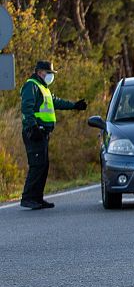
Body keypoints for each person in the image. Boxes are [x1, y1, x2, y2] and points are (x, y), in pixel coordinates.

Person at [20, 61, 87, 210]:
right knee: (37, 165)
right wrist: (32, 127)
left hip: (43, 133)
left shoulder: (44, 88)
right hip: (35, 133)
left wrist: (74, 105)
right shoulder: (31, 86)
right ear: (39, 72)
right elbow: (27, 108)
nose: (51, 76)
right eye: (48, 73)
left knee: (43, 166)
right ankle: (28, 198)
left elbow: (55, 102)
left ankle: (37, 198)